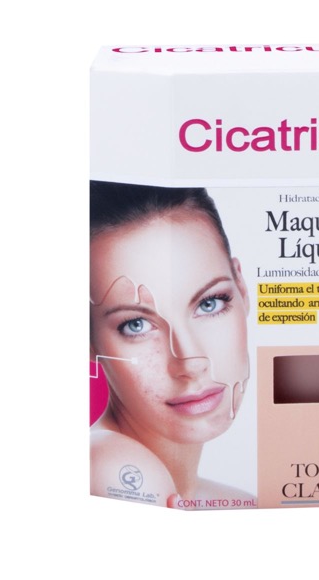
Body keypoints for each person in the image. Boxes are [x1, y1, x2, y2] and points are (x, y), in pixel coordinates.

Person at [89, 181, 252, 507]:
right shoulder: (110, 468)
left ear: (242, 288)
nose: (190, 361)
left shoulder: (231, 500)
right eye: (136, 325)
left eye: (209, 303)